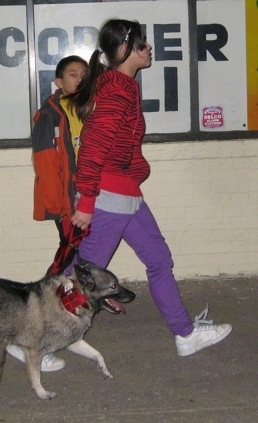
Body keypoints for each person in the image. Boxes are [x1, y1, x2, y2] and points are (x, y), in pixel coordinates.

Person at [66, 18, 232, 356]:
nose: (149, 48)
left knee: (158, 259)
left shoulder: (120, 85)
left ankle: (185, 334)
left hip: (126, 195)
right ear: (126, 49)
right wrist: (86, 202)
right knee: (78, 279)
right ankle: (33, 339)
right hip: (109, 197)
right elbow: (94, 145)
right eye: (143, 43)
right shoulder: (117, 88)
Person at [6, 55, 88, 370]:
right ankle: (24, 337)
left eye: (83, 74)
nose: (78, 79)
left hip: (85, 199)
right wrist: (62, 208)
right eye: (72, 74)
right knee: (63, 262)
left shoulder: (82, 110)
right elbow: (45, 166)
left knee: (73, 261)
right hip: (68, 203)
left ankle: (61, 316)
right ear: (58, 82)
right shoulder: (49, 116)